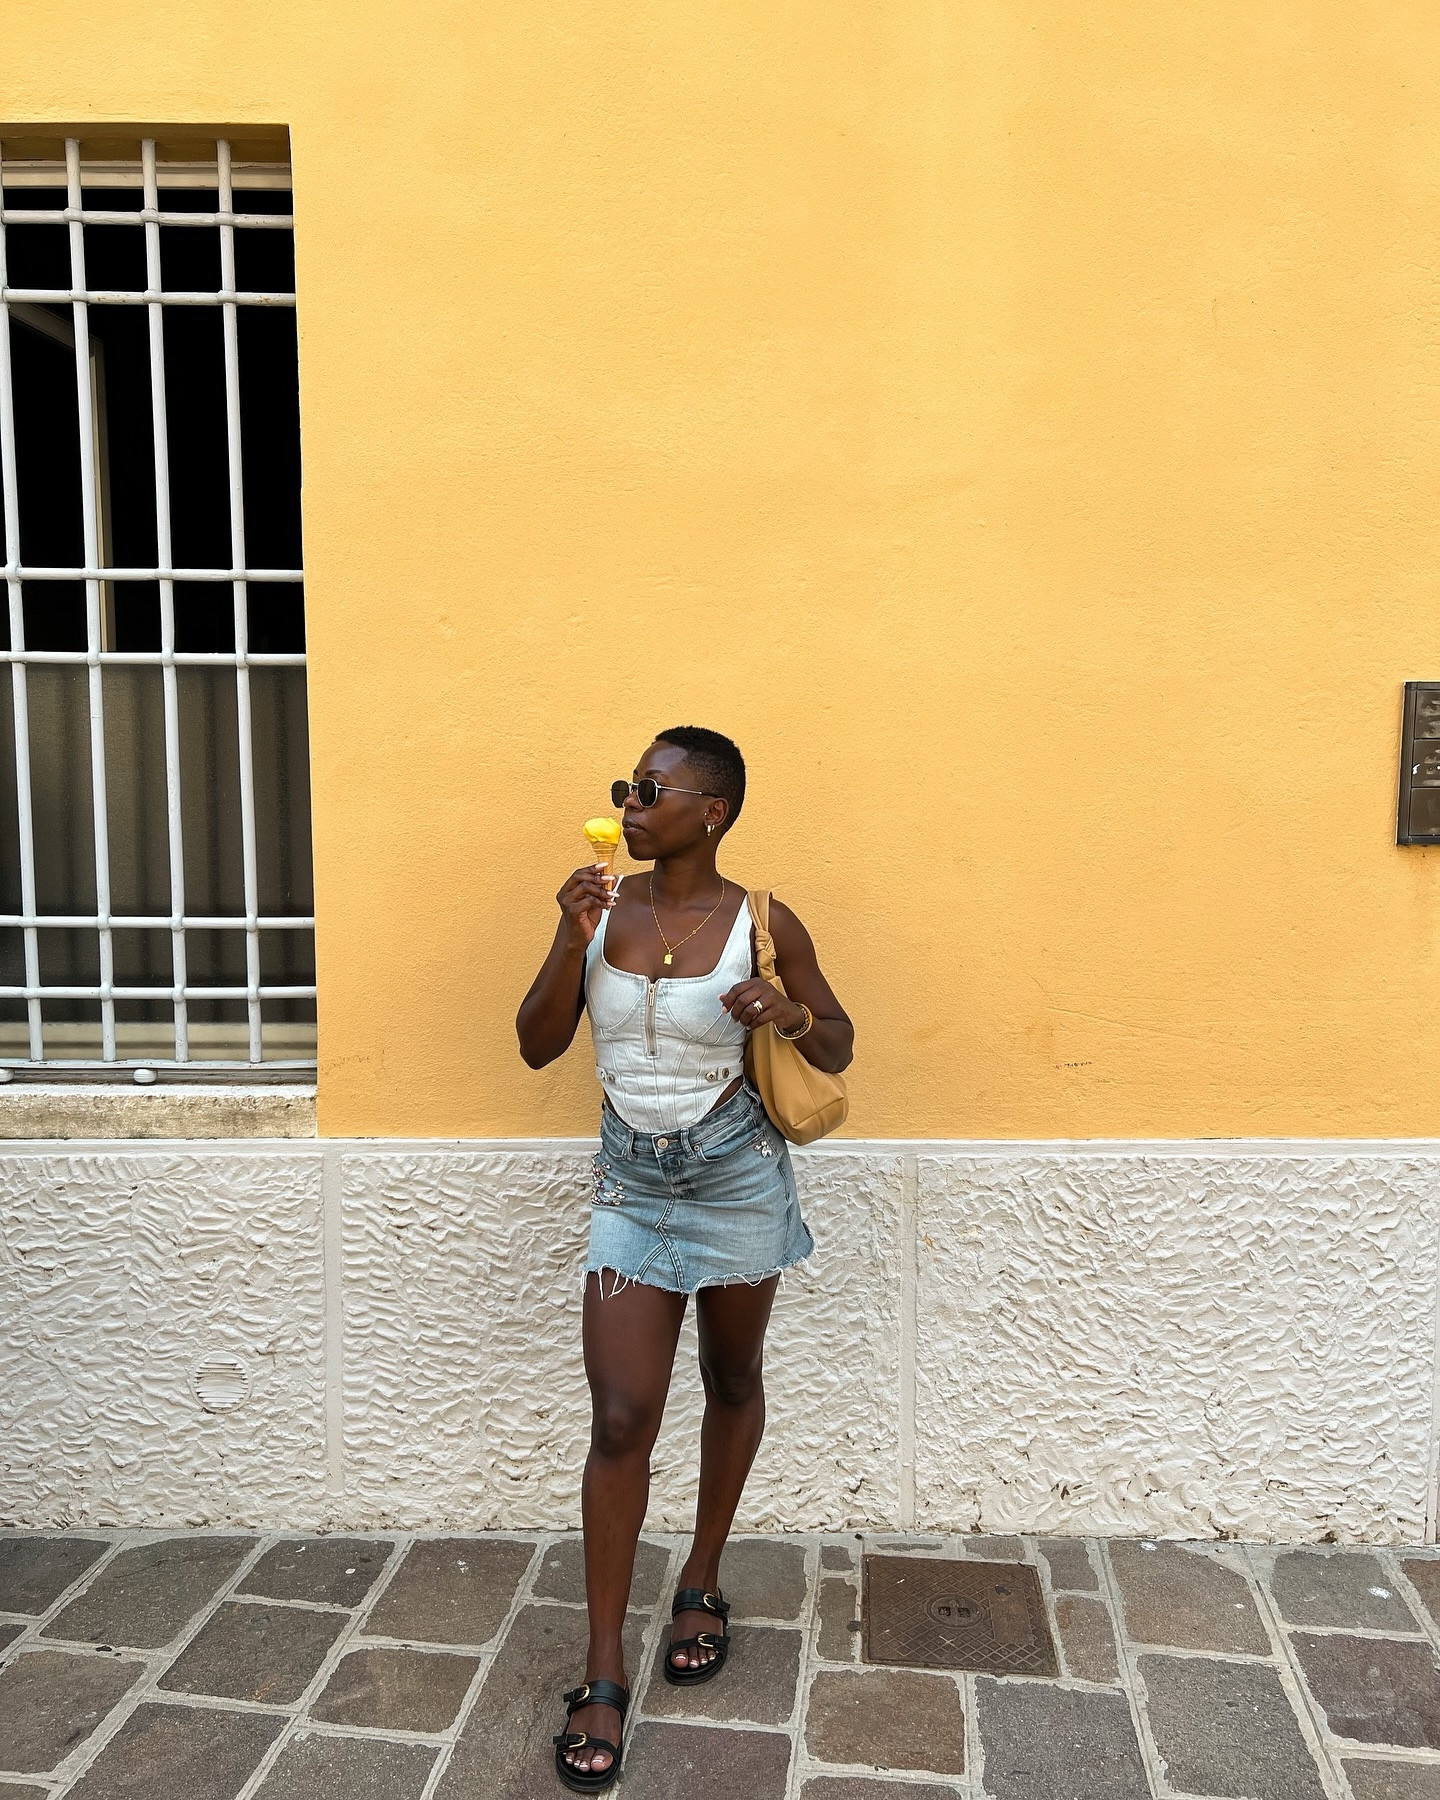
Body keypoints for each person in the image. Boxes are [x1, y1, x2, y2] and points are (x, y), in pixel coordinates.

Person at [516, 726, 853, 1793]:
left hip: (736, 1172)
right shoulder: (599, 907)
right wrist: (569, 940)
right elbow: (534, 1042)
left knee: (732, 1376)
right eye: (626, 786)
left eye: (649, 789)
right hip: (630, 1181)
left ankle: (701, 1577)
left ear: (711, 810)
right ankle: (604, 1670)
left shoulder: (764, 919)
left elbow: (837, 1040)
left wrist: (787, 1008)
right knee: (621, 1416)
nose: (628, 802)